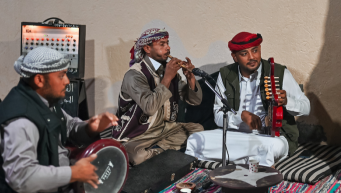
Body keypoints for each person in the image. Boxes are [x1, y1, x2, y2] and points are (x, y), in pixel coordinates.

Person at [0, 47, 119, 193]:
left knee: (104, 187)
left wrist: (91, 127)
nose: (67, 81)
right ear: (40, 79)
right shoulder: (20, 121)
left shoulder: (44, 101)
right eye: (61, 75)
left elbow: (69, 126)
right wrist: (73, 173)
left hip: (55, 185)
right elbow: (22, 178)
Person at [185, 32, 310, 167]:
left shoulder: (278, 72)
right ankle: (250, 161)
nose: (252, 57)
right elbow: (218, 116)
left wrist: (287, 101)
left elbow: (306, 108)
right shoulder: (226, 74)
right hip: (236, 136)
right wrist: (241, 117)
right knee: (194, 140)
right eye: (244, 54)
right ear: (235, 57)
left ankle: (236, 161)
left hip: (270, 138)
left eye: (255, 50)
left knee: (272, 147)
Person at [102, 28, 203, 165]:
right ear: (147, 48)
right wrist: (167, 77)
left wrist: (190, 78)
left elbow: (194, 100)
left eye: (167, 43)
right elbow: (150, 108)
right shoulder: (134, 75)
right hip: (138, 133)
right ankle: (161, 151)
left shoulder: (169, 71)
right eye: (162, 44)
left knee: (198, 131)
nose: (168, 47)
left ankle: (156, 151)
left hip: (163, 129)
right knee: (136, 156)